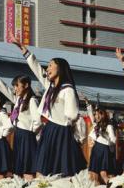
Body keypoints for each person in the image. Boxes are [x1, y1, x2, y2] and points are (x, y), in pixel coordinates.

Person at [11, 35, 87, 176]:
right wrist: (23, 49)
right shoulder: (50, 87)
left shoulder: (68, 90)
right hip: (49, 130)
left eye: (51, 65)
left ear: (60, 69)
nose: (48, 68)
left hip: (61, 132)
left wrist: (76, 137)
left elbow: (73, 116)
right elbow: (37, 69)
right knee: (41, 170)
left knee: (63, 173)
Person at [0, 60, 41, 180]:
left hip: (26, 135)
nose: (15, 89)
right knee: (19, 170)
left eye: (17, 85)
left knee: (28, 170)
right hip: (18, 135)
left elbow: (38, 121)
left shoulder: (32, 100)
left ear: (26, 85)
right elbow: (4, 88)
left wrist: (30, 133)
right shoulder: (18, 100)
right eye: (14, 86)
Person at [82, 95, 117, 184]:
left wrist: (106, 138)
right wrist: (87, 103)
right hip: (96, 149)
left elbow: (113, 139)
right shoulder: (96, 124)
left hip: (104, 149)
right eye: (96, 114)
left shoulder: (108, 126)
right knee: (93, 174)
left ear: (103, 114)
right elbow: (90, 114)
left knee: (103, 173)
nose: (96, 116)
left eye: (98, 114)